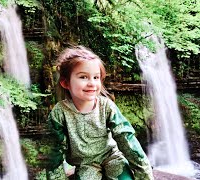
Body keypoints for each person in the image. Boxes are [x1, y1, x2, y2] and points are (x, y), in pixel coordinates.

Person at [47, 46, 154, 179]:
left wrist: (144, 174)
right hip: (85, 163)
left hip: (112, 156)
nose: (92, 83)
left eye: (96, 77)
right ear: (65, 83)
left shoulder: (106, 106)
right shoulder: (59, 113)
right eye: (83, 77)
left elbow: (126, 138)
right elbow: (54, 153)